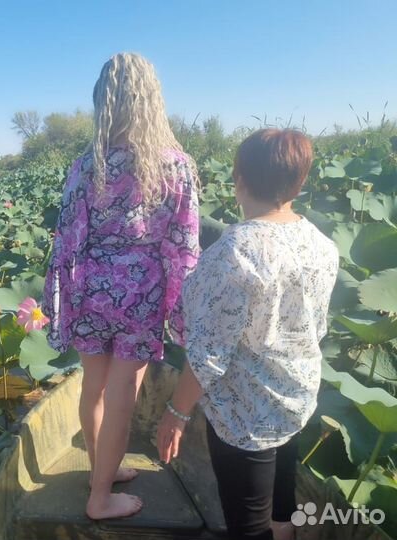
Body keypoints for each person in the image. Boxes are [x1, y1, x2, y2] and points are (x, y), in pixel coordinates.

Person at [156, 129, 339, 540]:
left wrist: (176, 413)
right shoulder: (323, 245)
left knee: (249, 527)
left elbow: (207, 355)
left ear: (238, 178)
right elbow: (318, 326)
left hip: (245, 415)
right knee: (281, 511)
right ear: (300, 182)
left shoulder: (231, 253)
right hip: (296, 399)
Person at [43, 52, 200, 520]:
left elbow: (67, 237)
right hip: (141, 295)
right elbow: (183, 245)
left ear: (102, 103)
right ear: (152, 101)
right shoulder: (175, 165)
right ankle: (99, 499)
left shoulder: (85, 165)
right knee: (121, 398)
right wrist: (179, 308)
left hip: (91, 288)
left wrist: (63, 299)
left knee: (92, 387)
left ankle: (101, 472)